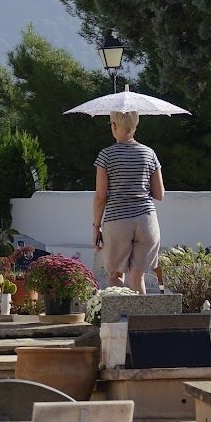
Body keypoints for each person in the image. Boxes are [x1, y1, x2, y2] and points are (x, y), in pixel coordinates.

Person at [93, 110, 165, 293]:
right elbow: (159, 194)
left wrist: (96, 227)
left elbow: (101, 196)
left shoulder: (106, 155)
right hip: (147, 220)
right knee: (138, 275)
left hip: (118, 220)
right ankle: (140, 320)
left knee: (115, 275)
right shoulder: (149, 153)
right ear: (135, 126)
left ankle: (116, 320)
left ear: (114, 126)